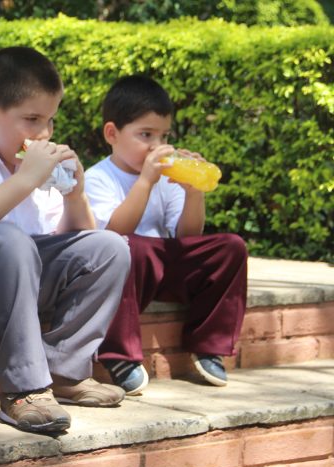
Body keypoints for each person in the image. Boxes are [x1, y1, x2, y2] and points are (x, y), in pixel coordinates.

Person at [0, 46, 131, 435]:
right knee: (8, 240)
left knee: (109, 247)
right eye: (32, 119)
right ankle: (24, 389)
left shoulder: (30, 161)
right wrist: (24, 181)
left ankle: (64, 371)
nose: (44, 133)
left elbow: (72, 237)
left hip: (16, 270)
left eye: (50, 120)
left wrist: (75, 193)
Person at [84, 75, 248, 394]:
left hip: (164, 268)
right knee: (128, 246)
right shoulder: (98, 177)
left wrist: (194, 191)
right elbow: (113, 233)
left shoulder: (166, 179)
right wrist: (145, 181)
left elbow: (188, 237)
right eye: (145, 135)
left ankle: (208, 344)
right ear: (112, 133)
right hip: (127, 270)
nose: (157, 146)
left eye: (163, 136)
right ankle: (118, 353)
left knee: (231, 247)